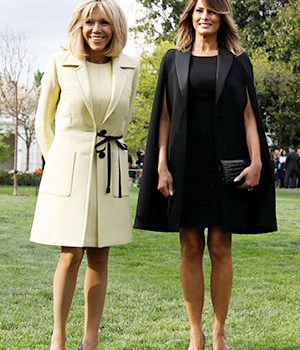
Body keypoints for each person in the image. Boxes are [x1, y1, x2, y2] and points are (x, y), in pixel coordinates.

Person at [134, 0, 277, 349]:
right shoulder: (173, 59)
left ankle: (219, 332)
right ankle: (195, 332)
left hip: (226, 162)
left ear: (222, 17)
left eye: (211, 11)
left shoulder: (239, 62)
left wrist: (257, 162)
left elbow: (248, 115)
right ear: (190, 17)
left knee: (220, 246)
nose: (205, 17)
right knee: (190, 246)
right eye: (198, 10)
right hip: (185, 164)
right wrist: (161, 165)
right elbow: (164, 116)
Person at [30, 1, 139, 349]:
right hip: (69, 166)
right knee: (71, 253)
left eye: (104, 22)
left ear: (115, 27)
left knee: (100, 254)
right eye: (89, 22)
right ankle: (58, 336)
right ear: (79, 26)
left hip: (111, 168)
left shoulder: (130, 66)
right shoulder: (60, 63)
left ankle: (90, 339)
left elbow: (124, 120)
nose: (96, 29)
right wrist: (57, 160)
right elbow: (41, 121)